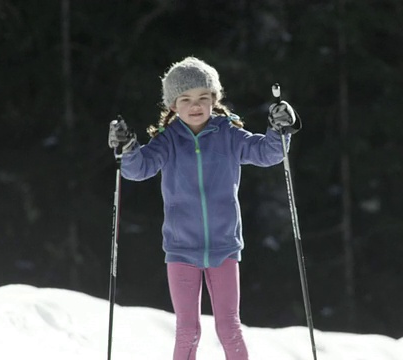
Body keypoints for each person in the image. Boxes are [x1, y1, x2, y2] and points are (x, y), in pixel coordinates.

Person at [107, 56, 298, 360]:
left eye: (202, 98)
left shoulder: (229, 134)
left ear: (214, 99)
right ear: (173, 105)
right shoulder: (167, 141)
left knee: (229, 329)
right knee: (187, 331)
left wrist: (280, 130)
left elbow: (266, 153)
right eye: (185, 99)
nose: (195, 105)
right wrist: (127, 148)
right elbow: (138, 169)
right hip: (181, 249)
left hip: (224, 247)